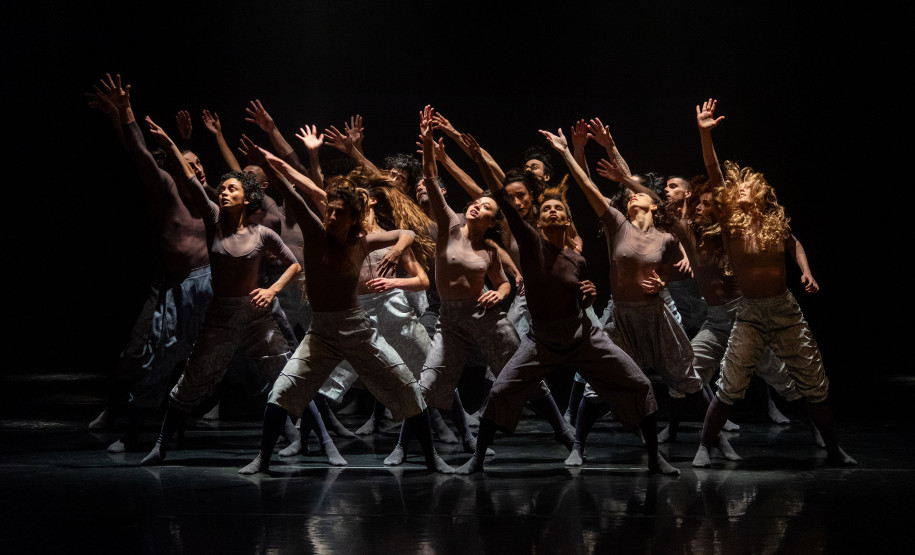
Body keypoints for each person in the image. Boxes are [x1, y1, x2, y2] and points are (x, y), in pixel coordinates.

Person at [456, 127, 677, 475]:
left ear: (566, 219)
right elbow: (501, 195)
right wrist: (479, 158)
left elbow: (580, 295)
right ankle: (477, 459)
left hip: (581, 336)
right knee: (500, 392)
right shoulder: (530, 242)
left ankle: (654, 458)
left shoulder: (578, 259)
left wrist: (588, 294)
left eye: (558, 209)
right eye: (546, 209)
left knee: (639, 383)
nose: (552, 212)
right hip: (541, 340)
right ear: (539, 220)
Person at [238, 147, 454, 475]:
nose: (333, 217)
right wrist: (274, 164)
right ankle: (263, 459)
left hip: (357, 329)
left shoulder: (361, 242)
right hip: (321, 332)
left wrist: (397, 250)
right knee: (281, 392)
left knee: (408, 389)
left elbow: (407, 233)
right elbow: (293, 192)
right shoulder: (316, 234)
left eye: (340, 213)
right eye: (330, 211)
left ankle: (432, 458)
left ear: (353, 219)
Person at [689, 99, 855, 467]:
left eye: (746, 187)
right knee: (730, 384)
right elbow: (713, 170)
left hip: (784, 309)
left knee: (814, 382)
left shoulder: (774, 224)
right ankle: (704, 446)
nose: (739, 190)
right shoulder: (731, 224)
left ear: (760, 192)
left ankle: (833, 449)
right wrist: (705, 134)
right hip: (749, 312)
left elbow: (795, 244)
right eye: (737, 188)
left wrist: (806, 271)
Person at [137, 109, 303, 466]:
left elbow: (293, 263)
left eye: (231, 188)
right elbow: (191, 180)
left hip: (255, 311)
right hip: (221, 315)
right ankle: (161, 444)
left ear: (248, 196)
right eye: (223, 188)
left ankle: (308, 439)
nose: (223, 192)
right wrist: (170, 142)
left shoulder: (263, 229)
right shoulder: (214, 219)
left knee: (285, 370)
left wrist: (273, 290)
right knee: (194, 376)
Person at [540, 126, 711, 466]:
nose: (631, 195)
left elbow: (677, 270)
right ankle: (578, 447)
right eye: (629, 193)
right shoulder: (616, 223)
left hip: (656, 315)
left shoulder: (667, 236)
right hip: (621, 316)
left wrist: (662, 281)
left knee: (688, 378)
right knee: (598, 385)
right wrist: (569, 151)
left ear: (652, 203)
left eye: (638, 193)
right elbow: (587, 185)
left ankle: (710, 442)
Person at [86, 74, 213, 453]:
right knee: (144, 357)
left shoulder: (213, 198)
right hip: (171, 286)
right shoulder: (167, 191)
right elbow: (141, 155)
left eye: (200, 164)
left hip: (209, 287)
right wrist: (125, 114)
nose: (198, 169)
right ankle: (124, 421)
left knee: (220, 358)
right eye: (190, 165)